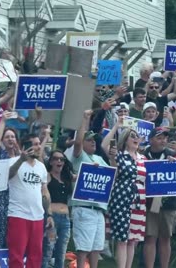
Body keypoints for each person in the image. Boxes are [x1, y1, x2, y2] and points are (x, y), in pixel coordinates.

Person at [67, 110, 116, 268]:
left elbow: (113, 176)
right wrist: (85, 119)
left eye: (94, 140)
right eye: (89, 140)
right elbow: (78, 143)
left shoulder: (100, 158)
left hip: (99, 209)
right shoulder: (78, 156)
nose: (93, 142)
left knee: (96, 248)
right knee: (83, 248)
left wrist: (114, 159)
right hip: (84, 207)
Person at [102, 118, 146, 268]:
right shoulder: (119, 155)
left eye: (137, 136)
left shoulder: (143, 159)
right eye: (132, 136)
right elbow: (104, 145)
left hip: (139, 200)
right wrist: (116, 126)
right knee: (122, 238)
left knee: (133, 239)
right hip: (121, 197)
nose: (136, 138)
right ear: (125, 139)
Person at [7, 134, 54, 268]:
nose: (39, 147)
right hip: (18, 215)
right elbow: (8, 175)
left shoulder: (41, 167)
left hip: (38, 217)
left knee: (35, 256)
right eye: (35, 144)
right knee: (16, 256)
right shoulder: (14, 161)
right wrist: (21, 160)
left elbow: (44, 191)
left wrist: (49, 214)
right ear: (25, 147)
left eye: (39, 143)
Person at [143, 127, 176, 268]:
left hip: (169, 203)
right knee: (150, 237)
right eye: (159, 138)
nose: (163, 141)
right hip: (148, 203)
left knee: (165, 238)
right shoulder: (143, 155)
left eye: (165, 138)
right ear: (151, 140)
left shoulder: (171, 154)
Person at [0, 111, 21, 249]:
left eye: (13, 137)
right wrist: (2, 121)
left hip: (19, 201)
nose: (10, 139)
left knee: (16, 237)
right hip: (3, 200)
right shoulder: (1, 155)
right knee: (1, 235)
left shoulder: (22, 156)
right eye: (7, 137)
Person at [42, 150, 74, 268]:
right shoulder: (47, 176)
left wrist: (94, 167)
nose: (59, 161)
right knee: (48, 250)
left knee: (61, 253)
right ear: (50, 161)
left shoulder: (67, 177)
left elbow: (83, 177)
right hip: (52, 217)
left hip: (65, 219)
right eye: (56, 159)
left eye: (62, 159)